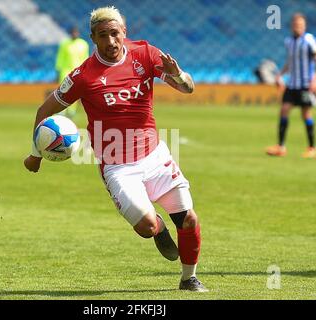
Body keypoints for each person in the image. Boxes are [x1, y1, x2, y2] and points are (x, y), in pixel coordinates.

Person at [24, 6, 208, 292]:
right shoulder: (82, 76)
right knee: (146, 227)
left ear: (124, 32)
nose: (110, 42)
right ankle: (158, 228)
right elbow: (44, 110)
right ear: (93, 39)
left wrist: (178, 75)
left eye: (114, 34)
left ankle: (189, 278)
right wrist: (35, 155)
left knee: (189, 218)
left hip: (155, 156)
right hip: (117, 166)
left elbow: (188, 88)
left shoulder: (145, 54)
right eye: (102, 36)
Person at [266, 13, 316, 158]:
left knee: (306, 114)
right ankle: (281, 147)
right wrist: (280, 74)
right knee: (284, 110)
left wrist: (315, 80)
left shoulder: (310, 40)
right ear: (292, 25)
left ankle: (312, 148)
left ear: (304, 26)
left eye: (300, 24)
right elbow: (290, 63)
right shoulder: (289, 42)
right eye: (295, 24)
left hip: (306, 84)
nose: (297, 27)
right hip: (292, 84)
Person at [55, 26, 89, 118]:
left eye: (76, 32)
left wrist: (85, 71)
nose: (75, 34)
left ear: (78, 33)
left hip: (77, 71)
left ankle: (71, 111)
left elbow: (85, 58)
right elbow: (60, 57)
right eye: (73, 32)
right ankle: (61, 110)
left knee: (75, 92)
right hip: (65, 70)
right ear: (70, 33)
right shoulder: (64, 44)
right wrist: (58, 70)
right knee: (63, 91)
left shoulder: (83, 44)